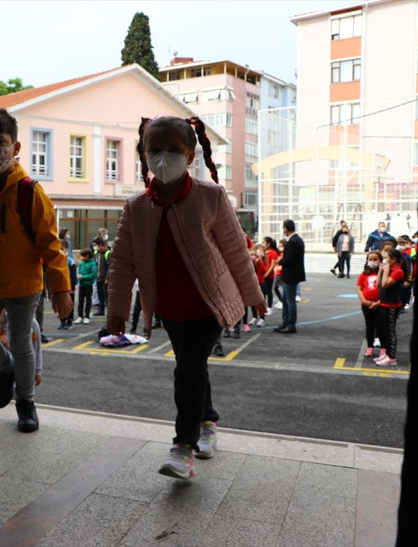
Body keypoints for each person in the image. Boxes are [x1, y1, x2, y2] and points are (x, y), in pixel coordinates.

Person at [106, 115, 265, 480]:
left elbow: (235, 250)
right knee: (194, 366)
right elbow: (122, 263)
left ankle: (183, 446)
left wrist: (253, 295)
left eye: (173, 150)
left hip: (208, 304)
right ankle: (208, 421)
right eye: (155, 150)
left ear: (191, 155)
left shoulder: (210, 197)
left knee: (188, 368)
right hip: (169, 308)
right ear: (143, 154)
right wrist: (116, 312)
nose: (163, 157)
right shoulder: (135, 207)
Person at [0, 108, 71, 433]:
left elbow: (51, 245)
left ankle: (26, 402)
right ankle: (4, 369)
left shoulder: (30, 191)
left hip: (23, 285)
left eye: (0, 143)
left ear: (16, 147)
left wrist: (61, 289)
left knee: (22, 343)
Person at [374, 249, 405, 366]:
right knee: (384, 331)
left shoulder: (398, 271)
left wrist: (386, 270)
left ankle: (392, 357)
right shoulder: (390, 270)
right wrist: (381, 271)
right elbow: (378, 284)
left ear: (393, 259)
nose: (385, 260)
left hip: (392, 305)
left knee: (390, 331)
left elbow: (385, 284)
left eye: (387, 258)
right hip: (383, 304)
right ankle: (386, 354)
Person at [274, 219, 305, 334]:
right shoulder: (298, 240)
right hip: (293, 274)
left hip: (290, 275)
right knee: (286, 300)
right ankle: (286, 322)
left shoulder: (292, 242)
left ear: (286, 228)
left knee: (290, 301)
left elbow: (289, 259)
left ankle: (290, 324)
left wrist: (280, 261)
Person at [356, 252, 382, 358]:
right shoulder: (364, 274)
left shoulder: (383, 273)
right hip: (366, 304)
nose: (372, 262)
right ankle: (370, 347)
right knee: (369, 326)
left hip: (380, 304)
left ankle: (383, 347)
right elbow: (359, 288)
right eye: (370, 260)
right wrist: (364, 300)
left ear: (380, 260)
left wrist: (378, 302)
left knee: (380, 326)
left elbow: (386, 289)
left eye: (375, 259)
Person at [76, 248, 97, 324]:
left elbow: (93, 275)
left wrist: (83, 277)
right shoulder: (82, 263)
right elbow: (79, 271)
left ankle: (87, 316)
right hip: (81, 284)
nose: (81, 258)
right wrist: (78, 277)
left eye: (83, 256)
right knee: (80, 300)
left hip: (88, 284)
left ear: (87, 256)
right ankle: (80, 316)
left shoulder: (92, 263)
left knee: (88, 300)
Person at [92, 236, 110, 316]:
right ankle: (101, 310)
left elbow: (109, 267)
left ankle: (110, 311)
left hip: (105, 279)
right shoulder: (96, 253)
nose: (94, 247)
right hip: (98, 278)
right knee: (100, 295)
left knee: (107, 296)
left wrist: (107, 278)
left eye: (95, 245)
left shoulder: (108, 253)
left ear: (101, 245)